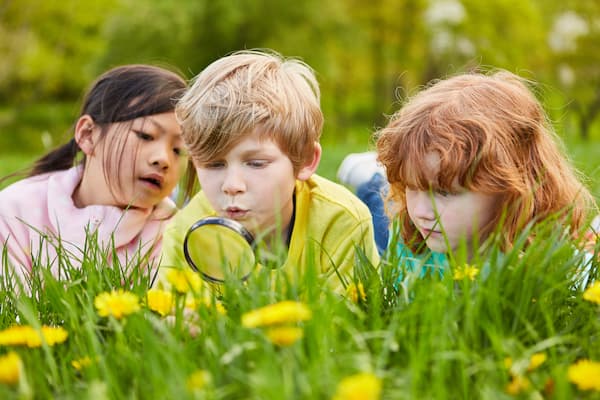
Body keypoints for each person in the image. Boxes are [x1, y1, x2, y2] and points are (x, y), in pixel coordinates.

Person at [158, 50, 379, 290]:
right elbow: (171, 315)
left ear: (305, 160)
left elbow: (347, 319)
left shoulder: (342, 220)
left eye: (256, 163)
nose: (232, 185)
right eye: (213, 164)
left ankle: (375, 181)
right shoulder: (184, 231)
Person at [339, 71, 597, 275]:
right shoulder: (408, 246)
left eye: (443, 191)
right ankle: (374, 179)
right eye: (411, 186)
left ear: (509, 186)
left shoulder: (550, 265)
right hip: (394, 230)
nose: (421, 211)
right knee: (382, 222)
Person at [0, 64, 192, 287]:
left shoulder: (174, 234)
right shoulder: (15, 211)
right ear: (88, 135)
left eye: (178, 150)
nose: (163, 159)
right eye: (145, 135)